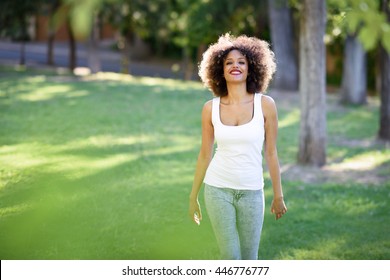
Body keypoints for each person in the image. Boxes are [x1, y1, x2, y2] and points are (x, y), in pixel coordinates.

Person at [188, 34, 287, 260]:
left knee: (249, 257)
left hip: (252, 192)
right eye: (229, 63)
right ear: (219, 70)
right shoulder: (209, 108)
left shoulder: (266, 105)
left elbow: (271, 153)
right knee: (230, 257)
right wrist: (193, 197)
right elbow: (204, 155)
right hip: (217, 189)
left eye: (241, 62)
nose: (235, 66)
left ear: (251, 68)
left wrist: (278, 196)